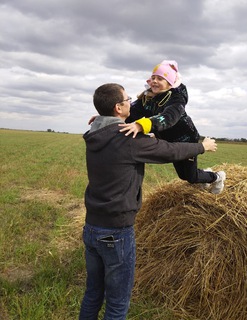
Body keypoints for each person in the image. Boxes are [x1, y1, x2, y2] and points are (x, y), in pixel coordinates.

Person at [79, 83, 218, 320]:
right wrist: (201, 147)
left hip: (91, 227)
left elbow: (112, 125)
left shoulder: (94, 133)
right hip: (116, 231)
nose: (131, 102)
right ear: (119, 107)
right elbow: (168, 151)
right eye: (127, 99)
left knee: (93, 292)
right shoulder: (127, 138)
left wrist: (104, 118)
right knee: (117, 302)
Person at [119, 60, 226, 194]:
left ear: (170, 83)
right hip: (171, 142)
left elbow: (169, 118)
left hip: (186, 140)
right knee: (183, 175)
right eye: (153, 78)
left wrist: (142, 125)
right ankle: (206, 175)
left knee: (191, 177)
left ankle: (217, 177)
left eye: (160, 78)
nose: (154, 81)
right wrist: (111, 117)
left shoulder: (176, 99)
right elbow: (131, 111)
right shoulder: (147, 98)